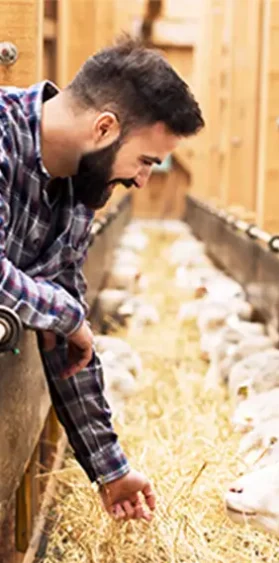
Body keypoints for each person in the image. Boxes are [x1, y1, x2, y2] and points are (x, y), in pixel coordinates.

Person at [0, 36, 204, 521]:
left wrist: (110, 469)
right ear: (104, 127)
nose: (142, 181)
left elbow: (71, 341)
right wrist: (68, 316)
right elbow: (65, 315)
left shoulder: (75, 190)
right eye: (147, 160)